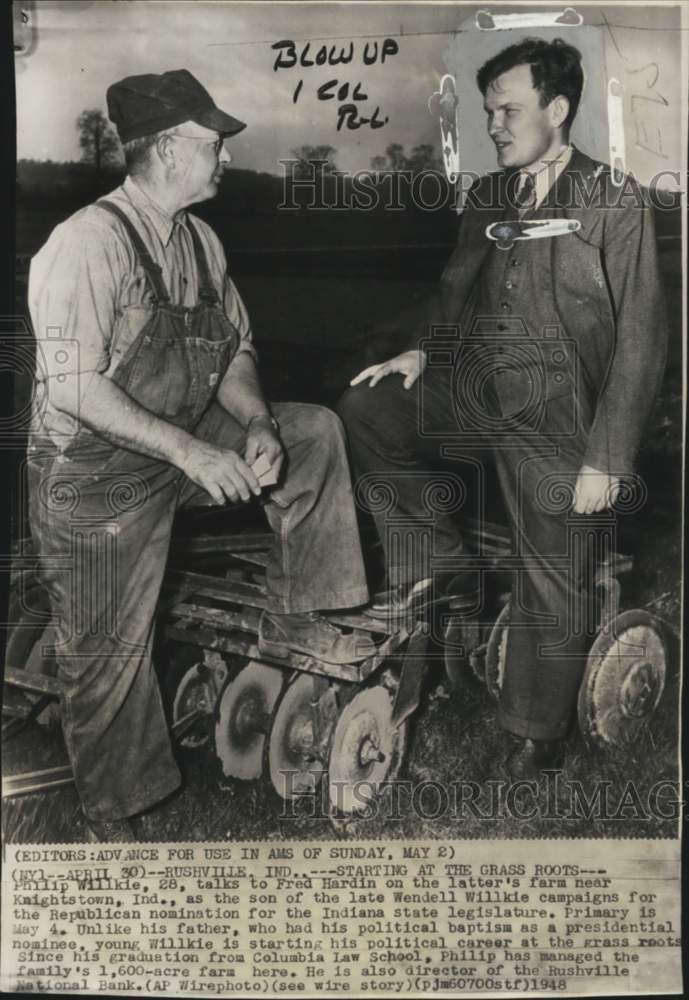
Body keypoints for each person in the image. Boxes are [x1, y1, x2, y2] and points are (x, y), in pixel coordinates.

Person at [27, 69, 371, 842]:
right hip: (94, 475)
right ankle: (117, 811)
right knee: (106, 647)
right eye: (213, 145)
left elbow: (235, 352)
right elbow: (75, 386)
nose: (223, 158)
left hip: (176, 443)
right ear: (170, 150)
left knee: (311, 430)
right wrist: (191, 454)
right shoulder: (84, 244)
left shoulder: (200, 241)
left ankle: (308, 626)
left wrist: (253, 424)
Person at [339, 38, 667, 778]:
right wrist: (420, 352)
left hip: (559, 418)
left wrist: (605, 458)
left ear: (557, 110)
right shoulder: (489, 196)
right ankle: (443, 570)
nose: (493, 124)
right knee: (369, 412)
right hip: (477, 394)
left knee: (555, 563)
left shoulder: (613, 201)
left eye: (508, 109)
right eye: (487, 111)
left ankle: (536, 730)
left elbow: (643, 342)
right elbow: (455, 289)